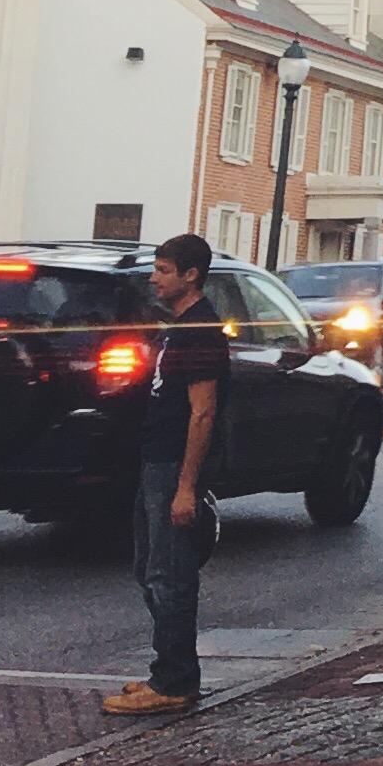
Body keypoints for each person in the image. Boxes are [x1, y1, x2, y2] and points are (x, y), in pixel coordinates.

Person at [101, 232, 229, 718]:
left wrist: (186, 487)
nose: (154, 278)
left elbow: (203, 412)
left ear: (190, 274)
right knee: (148, 569)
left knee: (171, 574)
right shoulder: (177, 326)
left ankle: (176, 681)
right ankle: (167, 669)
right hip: (155, 460)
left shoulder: (200, 330)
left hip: (174, 465)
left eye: (162, 270)